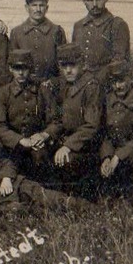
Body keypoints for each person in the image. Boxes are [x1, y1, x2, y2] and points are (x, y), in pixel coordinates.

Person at [0, 50, 60, 182]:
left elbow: (56, 120)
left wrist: (44, 135)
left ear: (30, 68)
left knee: (41, 160)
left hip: (38, 143)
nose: (21, 73)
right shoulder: (3, 93)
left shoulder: (42, 90)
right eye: (17, 68)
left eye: (24, 68)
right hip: (12, 146)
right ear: (10, 69)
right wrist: (20, 140)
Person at [98, 61, 133, 205]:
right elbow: (106, 133)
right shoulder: (108, 99)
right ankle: (113, 198)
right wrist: (106, 157)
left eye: (122, 80)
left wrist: (117, 156)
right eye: (114, 82)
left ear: (131, 78)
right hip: (116, 150)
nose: (118, 86)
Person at [50, 43, 101, 193]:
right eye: (64, 66)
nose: (68, 70)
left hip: (86, 146)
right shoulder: (63, 85)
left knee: (67, 159)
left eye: (72, 65)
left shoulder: (91, 86)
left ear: (82, 64)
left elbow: (91, 125)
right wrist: (47, 134)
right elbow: (59, 118)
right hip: (67, 139)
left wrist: (68, 146)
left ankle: (75, 200)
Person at [72, 0, 130, 76]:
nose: (94, 4)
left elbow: (119, 60)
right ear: (83, 1)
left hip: (107, 81)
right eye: (90, 0)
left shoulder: (117, 24)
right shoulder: (78, 26)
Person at [10, 0, 66, 83]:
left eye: (41, 5)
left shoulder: (56, 31)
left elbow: (63, 63)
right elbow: (12, 65)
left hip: (51, 84)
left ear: (47, 8)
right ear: (27, 8)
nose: (38, 9)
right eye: (34, 5)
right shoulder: (17, 32)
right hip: (26, 85)